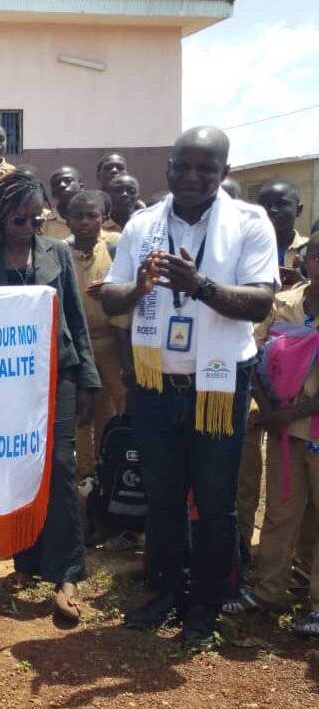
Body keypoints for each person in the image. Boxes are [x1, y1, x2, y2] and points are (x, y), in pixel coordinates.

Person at [102, 126, 278, 653]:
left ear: (224, 174)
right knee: (161, 498)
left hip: (218, 385)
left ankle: (204, 606)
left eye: (208, 168)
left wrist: (198, 285)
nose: (195, 177)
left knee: (216, 501)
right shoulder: (143, 224)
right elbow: (112, 299)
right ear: (170, 169)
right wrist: (140, 288)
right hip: (158, 384)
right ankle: (165, 594)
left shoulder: (250, 222)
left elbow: (261, 302)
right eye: (186, 166)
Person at [0, 171, 100, 623]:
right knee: (19, 467)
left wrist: (88, 381)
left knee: (60, 466)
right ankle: (27, 559)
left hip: (57, 374)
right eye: (19, 219)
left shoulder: (57, 253)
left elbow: (77, 321)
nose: (28, 226)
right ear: (2, 217)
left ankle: (66, 572)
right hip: (5, 381)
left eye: (34, 218)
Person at [247, 233, 319, 637]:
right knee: (279, 512)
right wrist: (271, 411)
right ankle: (268, 589)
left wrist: (292, 412)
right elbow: (252, 354)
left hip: (308, 424)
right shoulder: (283, 303)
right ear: (307, 260)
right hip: (283, 430)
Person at [63, 190, 128, 480]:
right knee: (82, 412)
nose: (86, 222)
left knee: (114, 410)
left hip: (113, 344)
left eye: (93, 216)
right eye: (78, 216)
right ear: (67, 220)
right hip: (79, 347)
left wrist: (111, 289)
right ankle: (84, 478)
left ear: (103, 218)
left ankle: (111, 473)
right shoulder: (60, 251)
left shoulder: (115, 246)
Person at [41, 166, 83, 239]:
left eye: (68, 180)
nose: (62, 185)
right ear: (52, 192)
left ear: (81, 187)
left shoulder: (94, 219)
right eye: (56, 183)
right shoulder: (42, 222)